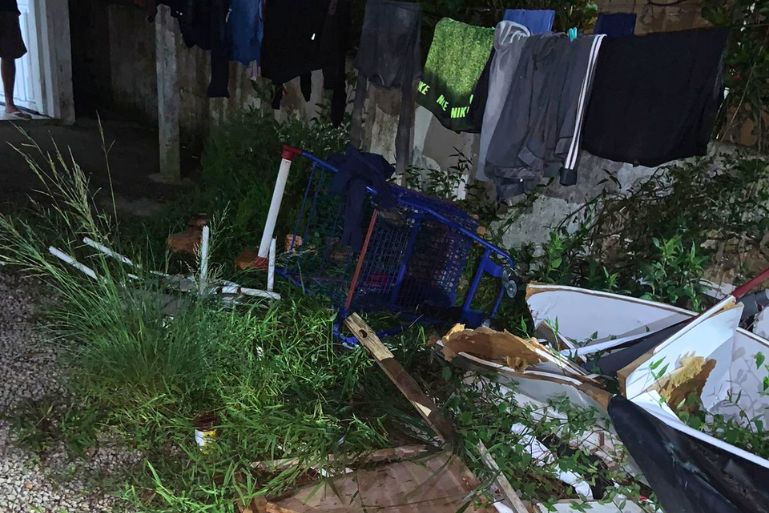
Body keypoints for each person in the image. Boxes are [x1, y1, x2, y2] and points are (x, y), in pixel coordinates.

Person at [0, 0, 31, 119]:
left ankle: (9, 104)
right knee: (9, 54)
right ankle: (9, 104)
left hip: (7, 7)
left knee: (9, 53)